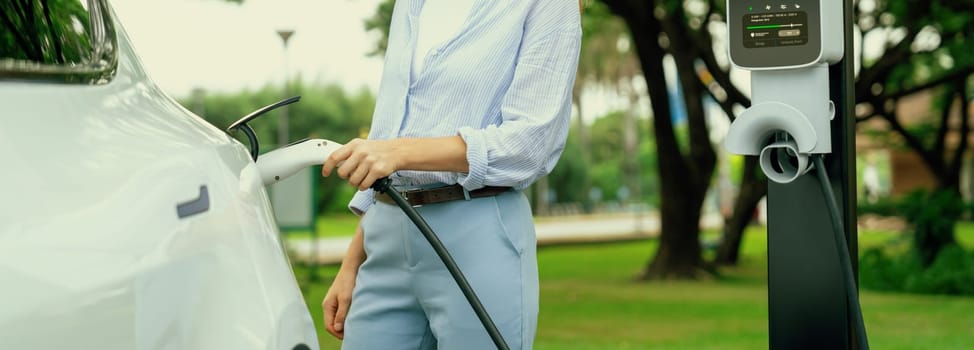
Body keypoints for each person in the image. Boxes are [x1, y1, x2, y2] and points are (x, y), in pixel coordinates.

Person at [320, 0, 581, 348]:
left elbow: (529, 145)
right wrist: (352, 262)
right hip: (385, 234)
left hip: (479, 233)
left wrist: (399, 153)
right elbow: (388, 132)